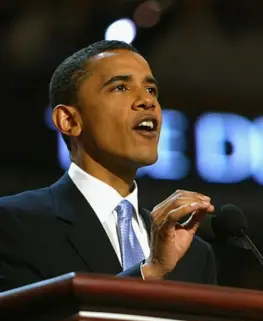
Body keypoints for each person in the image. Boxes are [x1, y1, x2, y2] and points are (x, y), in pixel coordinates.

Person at [0, 40, 217, 292]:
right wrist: (150, 272)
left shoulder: (195, 254)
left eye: (151, 90)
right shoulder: (16, 224)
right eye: (121, 87)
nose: (147, 101)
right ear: (69, 120)